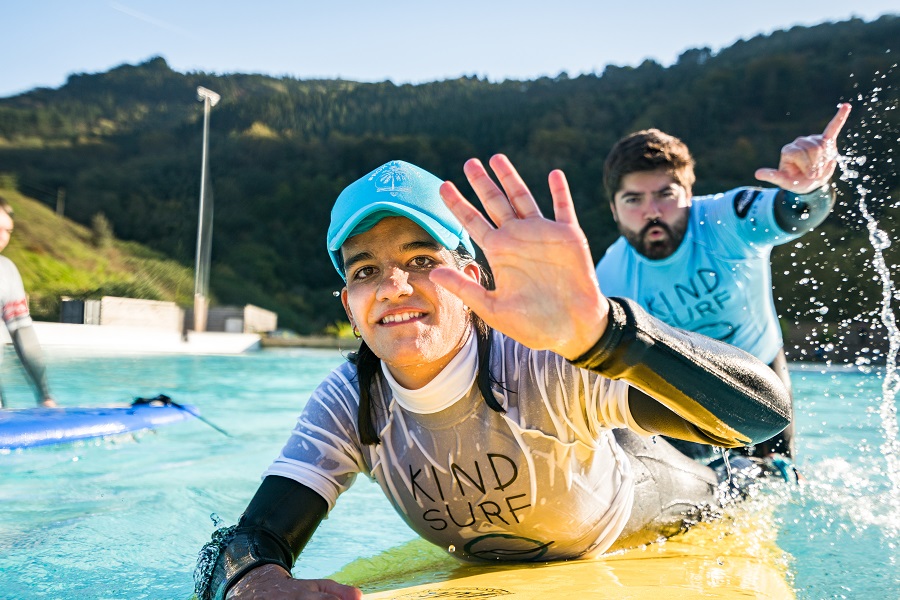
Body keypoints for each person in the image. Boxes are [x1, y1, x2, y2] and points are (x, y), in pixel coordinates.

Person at [194, 157, 791, 600]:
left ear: (473, 278)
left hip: (647, 501)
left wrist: (604, 335)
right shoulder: (352, 399)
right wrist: (253, 582)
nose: (394, 287)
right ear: (348, 302)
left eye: (423, 260)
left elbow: (763, 415)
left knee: (738, 482)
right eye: (365, 270)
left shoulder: (540, 360)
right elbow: (247, 540)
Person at [595, 104, 852, 463]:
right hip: (677, 388)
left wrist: (809, 191)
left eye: (665, 195)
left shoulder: (725, 219)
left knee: (774, 478)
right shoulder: (608, 276)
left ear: (689, 193)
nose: (651, 211)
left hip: (759, 374)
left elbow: (789, 213)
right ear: (614, 209)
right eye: (633, 199)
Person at [0, 195, 55, 408]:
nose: (3, 237)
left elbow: (22, 332)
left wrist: (45, 396)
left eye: (8, 231)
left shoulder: (6, 272)